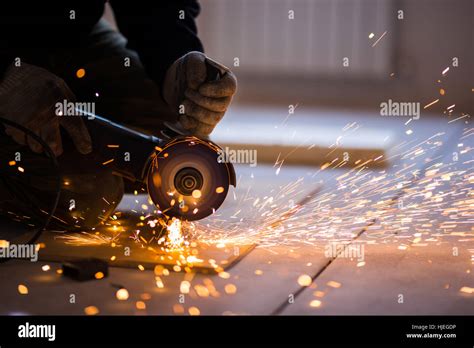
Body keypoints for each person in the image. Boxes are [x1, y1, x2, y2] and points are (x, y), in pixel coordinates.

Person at [0, 1, 237, 229]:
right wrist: (6, 79)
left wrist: (176, 57)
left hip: (68, 29)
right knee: (86, 196)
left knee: (170, 131)